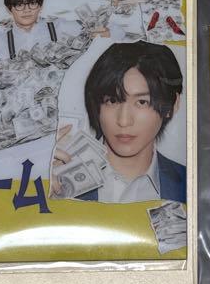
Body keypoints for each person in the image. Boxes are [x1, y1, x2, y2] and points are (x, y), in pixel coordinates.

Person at [52, 41, 185, 204]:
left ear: (172, 105)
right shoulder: (55, 175)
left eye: (142, 102)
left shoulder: (192, 185)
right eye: (112, 101)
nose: (123, 121)